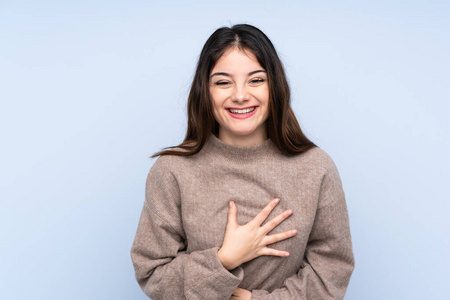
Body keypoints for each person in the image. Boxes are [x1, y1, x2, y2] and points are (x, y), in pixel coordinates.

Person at [131, 24, 355, 300]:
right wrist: (224, 259)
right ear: (205, 90)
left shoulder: (316, 168)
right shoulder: (171, 171)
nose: (239, 95)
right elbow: (152, 274)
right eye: (223, 82)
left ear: (275, 86)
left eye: (256, 80)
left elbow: (331, 274)